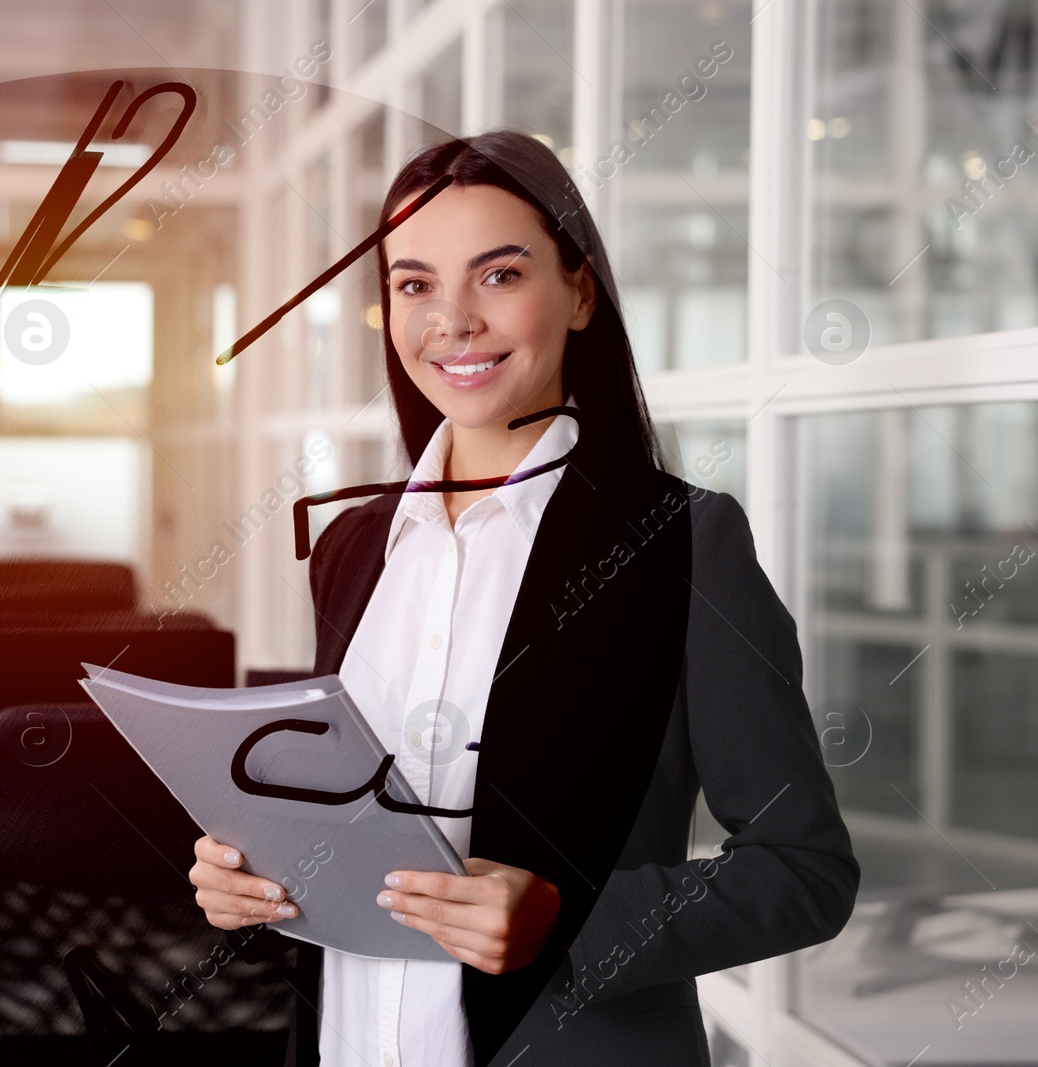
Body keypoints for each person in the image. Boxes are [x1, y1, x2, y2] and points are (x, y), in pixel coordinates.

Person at [187, 129, 860, 1066]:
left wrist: (572, 917)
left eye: (498, 276)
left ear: (581, 292)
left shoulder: (686, 543)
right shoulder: (351, 547)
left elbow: (805, 869)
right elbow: (346, 820)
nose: (452, 321)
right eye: (415, 284)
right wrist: (250, 876)